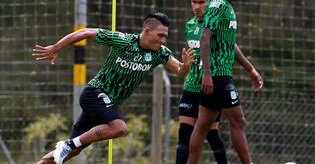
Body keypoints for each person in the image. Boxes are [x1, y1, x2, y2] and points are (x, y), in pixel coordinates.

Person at [33, 12, 195, 164]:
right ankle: (69, 144)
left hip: (107, 104)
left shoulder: (160, 53)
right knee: (119, 127)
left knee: (73, 151)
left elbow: (180, 70)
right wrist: (56, 47)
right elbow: (86, 32)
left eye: (165, 36)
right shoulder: (123, 41)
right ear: (146, 31)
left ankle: (60, 151)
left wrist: (186, 66)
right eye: (160, 35)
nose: (163, 40)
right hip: (94, 93)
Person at [188, 0, 263, 164]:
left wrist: (250, 69)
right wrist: (207, 73)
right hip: (217, 76)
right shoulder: (217, 5)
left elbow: (230, 44)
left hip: (218, 76)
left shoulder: (226, 7)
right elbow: (205, 38)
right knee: (238, 121)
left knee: (202, 125)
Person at [176, 0, 227, 164]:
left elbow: (228, 49)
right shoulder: (189, 25)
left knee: (212, 136)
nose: (197, 6)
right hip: (190, 87)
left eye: (202, 2)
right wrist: (186, 67)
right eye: (194, 2)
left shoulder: (216, 25)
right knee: (184, 137)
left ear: (210, 2)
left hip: (210, 87)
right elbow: (193, 59)